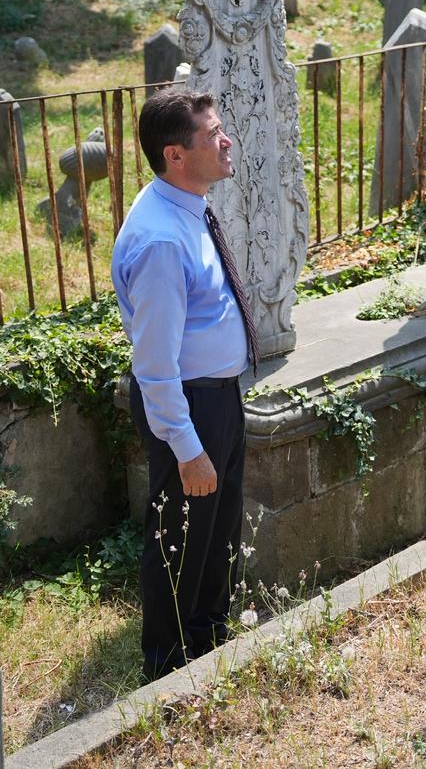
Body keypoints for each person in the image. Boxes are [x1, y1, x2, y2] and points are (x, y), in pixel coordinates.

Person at [113, 87, 257, 681]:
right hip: (189, 404)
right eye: (212, 135)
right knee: (181, 535)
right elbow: (154, 366)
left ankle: (209, 639)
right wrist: (188, 447)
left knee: (217, 529)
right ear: (175, 155)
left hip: (217, 395)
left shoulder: (183, 205)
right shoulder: (162, 242)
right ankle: (168, 667)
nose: (226, 141)